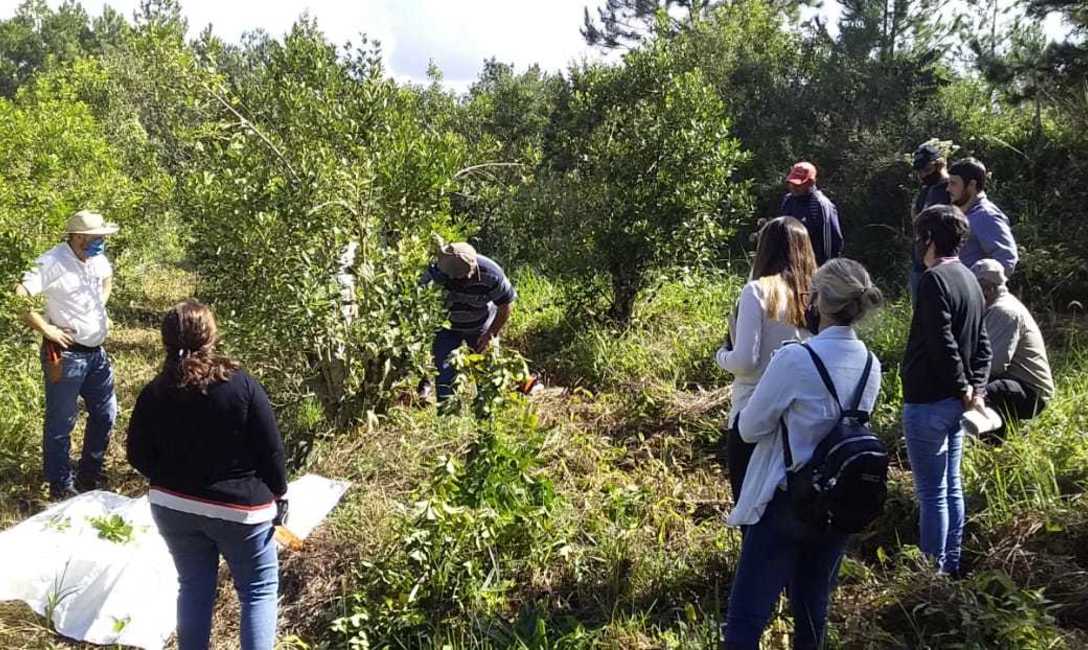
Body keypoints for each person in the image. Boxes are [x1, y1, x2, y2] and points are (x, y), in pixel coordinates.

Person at [722, 258, 883, 650]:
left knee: (747, 616)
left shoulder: (798, 358)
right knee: (813, 613)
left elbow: (749, 427)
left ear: (817, 302)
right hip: (837, 502)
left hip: (785, 497)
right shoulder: (871, 365)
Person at [127, 300, 286, 650]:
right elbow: (271, 450)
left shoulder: (154, 391)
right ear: (212, 336)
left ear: (165, 340)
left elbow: (136, 454)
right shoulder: (242, 386)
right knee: (258, 590)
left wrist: (170, 477)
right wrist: (280, 494)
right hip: (241, 512)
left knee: (194, 587)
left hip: (172, 506)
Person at [902, 205, 991, 576]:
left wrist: (963, 387)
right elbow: (983, 344)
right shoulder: (969, 279)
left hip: (929, 402)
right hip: (957, 403)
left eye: (919, 237)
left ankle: (931, 576)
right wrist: (976, 390)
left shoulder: (933, 281)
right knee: (951, 487)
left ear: (929, 240)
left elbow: (942, 343)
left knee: (932, 495)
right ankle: (950, 566)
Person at [15, 210, 119, 500]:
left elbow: (106, 278)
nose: (101, 242)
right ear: (77, 236)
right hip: (65, 355)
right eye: (95, 237)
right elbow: (17, 296)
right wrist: (46, 328)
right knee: (62, 421)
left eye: (102, 237)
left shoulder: (97, 258)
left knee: (106, 412)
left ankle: (90, 473)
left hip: (96, 354)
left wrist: (100, 307)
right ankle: (61, 484)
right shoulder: (52, 261)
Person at [715, 216, 816, 503]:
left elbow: (746, 362)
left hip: (753, 412)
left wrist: (722, 356)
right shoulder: (815, 293)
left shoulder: (758, 290)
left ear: (765, 248)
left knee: (749, 506)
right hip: (801, 417)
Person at [420, 237, 516, 401]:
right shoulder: (435, 273)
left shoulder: (491, 274)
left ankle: (486, 421)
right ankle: (447, 421)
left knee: (487, 376)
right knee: (445, 376)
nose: (458, 282)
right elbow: (416, 301)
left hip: (482, 325)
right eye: (454, 279)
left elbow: (505, 305)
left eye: (462, 278)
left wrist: (490, 334)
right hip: (447, 329)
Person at [971, 259, 1055, 437]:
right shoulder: (994, 306)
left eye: (974, 288)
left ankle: (994, 444)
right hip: (1017, 383)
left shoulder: (1004, 311)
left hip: (1032, 392)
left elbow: (993, 365)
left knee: (980, 393)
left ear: (988, 289)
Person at [947, 157, 1018, 275]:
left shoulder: (986, 216)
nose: (948, 188)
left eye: (953, 183)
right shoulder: (963, 212)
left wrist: (979, 287)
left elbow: (1007, 259)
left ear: (972, 185)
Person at [908, 141, 953, 301]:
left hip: (942, 265)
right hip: (920, 264)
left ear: (939, 164)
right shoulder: (925, 191)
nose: (922, 175)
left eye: (926, 169)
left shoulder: (951, 189)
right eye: (919, 171)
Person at [779, 161, 843, 266]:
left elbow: (832, 242)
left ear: (811, 183)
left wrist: (825, 268)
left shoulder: (821, 205)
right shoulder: (788, 200)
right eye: (792, 183)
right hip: (791, 265)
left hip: (814, 266)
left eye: (799, 184)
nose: (793, 187)